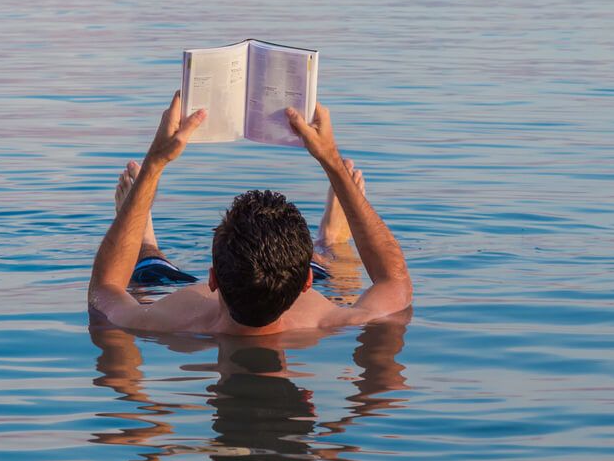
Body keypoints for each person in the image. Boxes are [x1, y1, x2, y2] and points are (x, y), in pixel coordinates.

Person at [88, 92, 412, 334]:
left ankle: (144, 239)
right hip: (307, 301)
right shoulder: (330, 321)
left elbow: (105, 289)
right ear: (307, 284)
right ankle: (328, 242)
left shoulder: (166, 325)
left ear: (212, 279)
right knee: (333, 271)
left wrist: (154, 166)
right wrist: (331, 161)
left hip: (189, 312)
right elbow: (393, 279)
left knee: (147, 268)